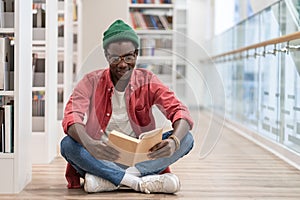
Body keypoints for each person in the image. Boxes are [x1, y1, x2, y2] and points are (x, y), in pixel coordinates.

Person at [60, 19, 194, 194]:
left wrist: (174, 141)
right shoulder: (90, 81)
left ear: (136, 55)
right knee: (67, 144)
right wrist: (90, 144)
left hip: (140, 159)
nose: (123, 64)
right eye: (116, 58)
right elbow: (72, 115)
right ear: (107, 56)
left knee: (186, 139)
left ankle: (113, 180)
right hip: (101, 156)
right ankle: (136, 182)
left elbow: (178, 110)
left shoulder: (147, 80)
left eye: (129, 57)